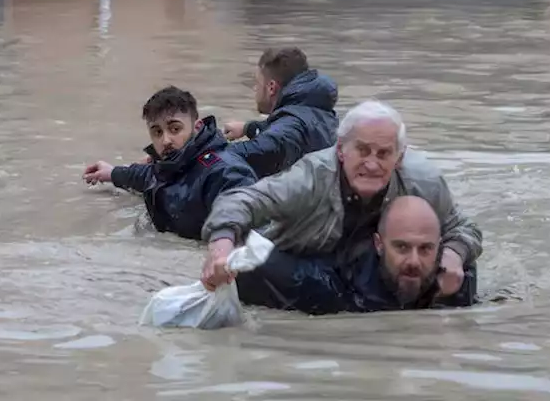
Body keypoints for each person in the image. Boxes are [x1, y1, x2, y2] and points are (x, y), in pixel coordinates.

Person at [199, 100, 482, 301]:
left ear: (400, 157)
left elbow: (464, 229)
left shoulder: (424, 182)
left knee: (463, 275)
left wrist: (453, 256)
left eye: (383, 154)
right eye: (363, 151)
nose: (372, 164)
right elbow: (239, 201)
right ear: (341, 150)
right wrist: (220, 250)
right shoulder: (310, 178)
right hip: (311, 264)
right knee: (250, 271)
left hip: (374, 266)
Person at [232, 195, 478, 315]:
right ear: (379, 245)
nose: (414, 261)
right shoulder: (330, 285)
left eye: (425, 249)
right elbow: (250, 263)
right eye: (401, 248)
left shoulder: (455, 280)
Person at [83, 86, 257, 240]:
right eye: (157, 132)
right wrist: (112, 173)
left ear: (196, 128)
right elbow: (147, 175)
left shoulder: (223, 171)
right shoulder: (171, 165)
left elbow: (248, 215)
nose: (165, 140)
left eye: (175, 129)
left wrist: (222, 245)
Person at [222, 47, 339, 178]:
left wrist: (206, 151)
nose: (255, 88)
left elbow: (263, 148)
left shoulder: (291, 127)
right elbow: (282, 131)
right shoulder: (314, 110)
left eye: (258, 83)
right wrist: (247, 128)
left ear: (271, 87)